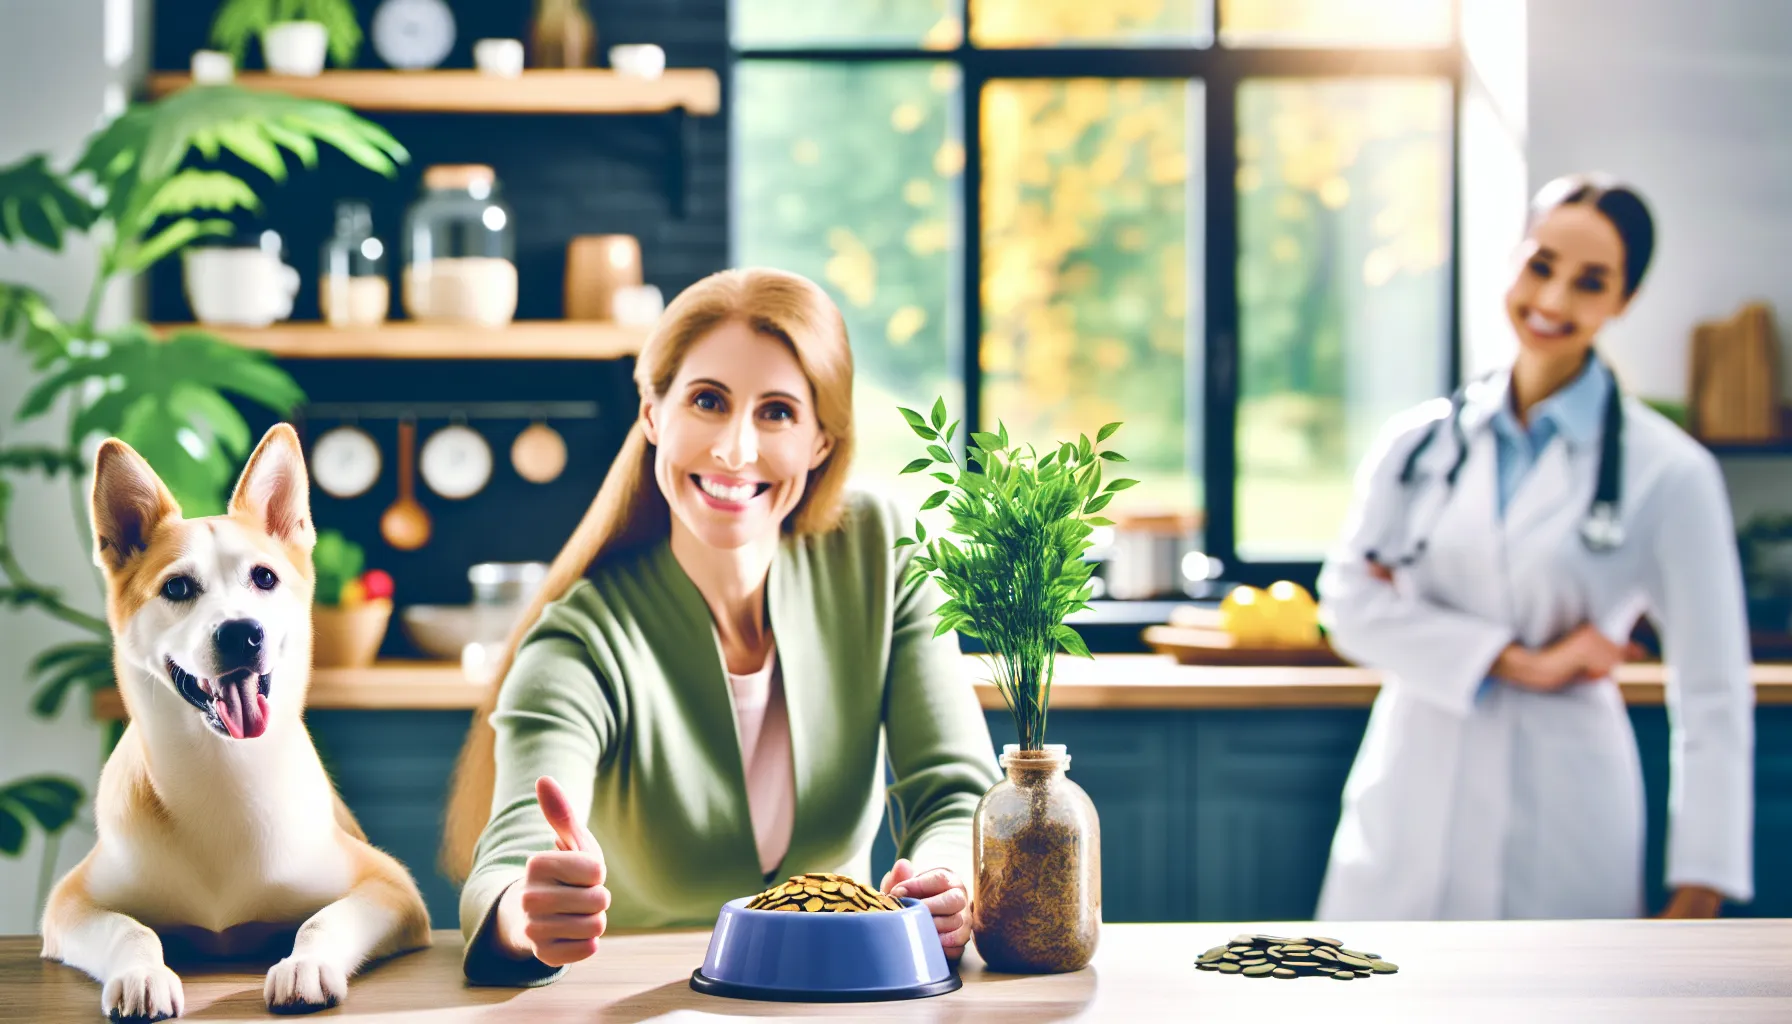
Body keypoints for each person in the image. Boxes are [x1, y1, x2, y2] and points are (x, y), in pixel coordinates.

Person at [442, 268, 1000, 984]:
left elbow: (955, 791)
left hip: (844, 1000)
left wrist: (945, 877)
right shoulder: (582, 638)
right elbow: (512, 855)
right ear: (652, 412)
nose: (736, 449)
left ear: (821, 442)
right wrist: (530, 911)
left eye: (777, 412)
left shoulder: (880, 551)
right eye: (708, 400)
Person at [1314, 173, 1754, 921]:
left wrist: (1700, 885)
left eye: (1591, 282)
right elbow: (1348, 605)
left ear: (1624, 302)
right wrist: (1518, 662)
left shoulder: (1671, 474)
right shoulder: (1418, 443)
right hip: (1413, 785)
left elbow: (1713, 692)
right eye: (1541, 265)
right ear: (1512, 259)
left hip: (1568, 807)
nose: (1553, 302)